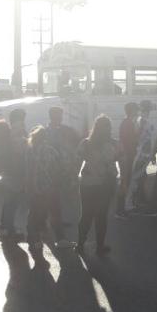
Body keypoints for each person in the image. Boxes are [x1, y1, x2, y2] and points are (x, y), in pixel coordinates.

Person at [76, 115, 119, 255]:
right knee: (101, 216)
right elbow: (112, 166)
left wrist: (74, 178)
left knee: (86, 215)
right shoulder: (111, 145)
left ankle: (80, 244)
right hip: (103, 185)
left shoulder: (85, 143)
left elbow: (77, 162)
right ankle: (100, 246)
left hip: (87, 184)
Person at [45, 106, 81, 248]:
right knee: (54, 198)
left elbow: (75, 145)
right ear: (52, 117)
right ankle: (54, 224)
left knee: (61, 196)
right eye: (57, 116)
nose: (59, 118)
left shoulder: (66, 130)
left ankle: (56, 220)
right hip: (52, 168)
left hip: (64, 168)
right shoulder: (46, 132)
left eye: (60, 115)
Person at [25, 125, 62, 256]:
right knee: (46, 212)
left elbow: (28, 169)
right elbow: (58, 167)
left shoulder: (30, 150)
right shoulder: (50, 150)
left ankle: (33, 238)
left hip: (34, 186)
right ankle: (42, 236)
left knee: (34, 213)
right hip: (48, 186)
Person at [0, 109, 28, 242]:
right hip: (16, 170)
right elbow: (22, 146)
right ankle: (8, 228)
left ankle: (5, 227)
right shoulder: (18, 129)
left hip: (9, 169)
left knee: (9, 201)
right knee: (13, 201)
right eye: (23, 117)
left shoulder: (8, 131)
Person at [130, 100, 157, 213]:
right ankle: (134, 200)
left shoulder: (141, 120)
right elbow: (140, 137)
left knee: (141, 177)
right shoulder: (142, 120)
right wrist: (151, 153)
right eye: (147, 108)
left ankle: (140, 198)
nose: (148, 110)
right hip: (142, 154)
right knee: (137, 177)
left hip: (143, 153)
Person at [115, 102, 139, 219]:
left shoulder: (128, 122)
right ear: (132, 110)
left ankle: (124, 206)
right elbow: (128, 140)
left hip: (128, 155)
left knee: (126, 181)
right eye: (136, 109)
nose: (138, 111)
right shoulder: (128, 123)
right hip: (127, 156)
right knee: (125, 182)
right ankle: (120, 209)